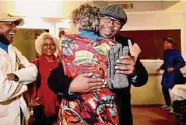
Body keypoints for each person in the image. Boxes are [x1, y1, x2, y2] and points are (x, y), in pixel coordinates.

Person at [49, 4, 148, 125]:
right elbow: (53, 78)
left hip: (117, 114)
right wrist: (70, 86)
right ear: (97, 19)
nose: (110, 25)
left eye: (116, 23)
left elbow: (143, 78)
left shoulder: (125, 45)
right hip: (81, 113)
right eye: (106, 19)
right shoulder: (76, 44)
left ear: (120, 27)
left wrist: (133, 72)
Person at [0, 14, 38, 125]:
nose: (15, 28)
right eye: (10, 24)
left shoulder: (14, 50)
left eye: (16, 25)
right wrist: (25, 84)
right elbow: (2, 92)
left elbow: (33, 72)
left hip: (19, 113)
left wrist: (15, 76)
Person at [27, 32, 60, 125]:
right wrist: (28, 101)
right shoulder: (34, 63)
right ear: (40, 46)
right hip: (40, 106)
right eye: (45, 44)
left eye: (52, 44)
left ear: (55, 46)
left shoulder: (61, 64)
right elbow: (26, 84)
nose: (49, 47)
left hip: (58, 106)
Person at [156, 38, 185, 113]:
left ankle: (175, 107)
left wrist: (174, 68)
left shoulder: (176, 53)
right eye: (164, 43)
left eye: (166, 43)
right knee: (164, 89)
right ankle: (168, 104)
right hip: (166, 74)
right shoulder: (165, 52)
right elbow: (166, 63)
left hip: (174, 75)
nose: (164, 45)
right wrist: (160, 68)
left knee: (174, 91)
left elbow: (182, 63)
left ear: (171, 44)